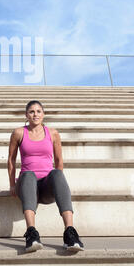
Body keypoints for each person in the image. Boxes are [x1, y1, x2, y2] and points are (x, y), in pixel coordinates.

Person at [8, 99, 84, 253]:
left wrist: (58, 184)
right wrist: (12, 184)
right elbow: (11, 160)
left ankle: (70, 232)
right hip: (28, 185)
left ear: (43, 114)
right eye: (31, 111)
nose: (35, 114)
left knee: (56, 173)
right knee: (28, 175)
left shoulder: (53, 133)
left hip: (46, 187)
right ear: (26, 115)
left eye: (38, 111)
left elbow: (59, 161)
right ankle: (31, 234)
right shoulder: (18, 133)